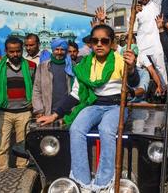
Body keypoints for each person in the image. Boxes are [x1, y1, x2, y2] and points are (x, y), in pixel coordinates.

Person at [37, 24, 139, 192]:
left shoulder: (121, 60)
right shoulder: (84, 64)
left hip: (116, 106)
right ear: (90, 43)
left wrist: (132, 67)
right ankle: (82, 183)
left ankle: (103, 184)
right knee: (76, 128)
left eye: (104, 41)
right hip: (93, 105)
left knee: (106, 129)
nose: (99, 44)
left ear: (112, 43)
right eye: (95, 40)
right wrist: (54, 115)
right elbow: (75, 94)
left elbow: (133, 83)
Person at [0, 36, 36, 172]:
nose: (15, 54)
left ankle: (22, 171)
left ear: (22, 50)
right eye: (11, 52)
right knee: (1, 144)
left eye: (18, 51)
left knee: (23, 145)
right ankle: (2, 172)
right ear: (6, 51)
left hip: (24, 112)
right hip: (3, 112)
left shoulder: (32, 66)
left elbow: (36, 88)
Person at [131, 0, 168, 89]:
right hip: (141, 45)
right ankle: (139, 92)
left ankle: (165, 91)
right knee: (138, 68)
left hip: (155, 43)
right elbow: (132, 23)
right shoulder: (137, 8)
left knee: (160, 68)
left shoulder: (155, 4)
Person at [32, 39, 74, 117]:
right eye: (57, 49)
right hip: (47, 112)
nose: (59, 52)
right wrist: (39, 110)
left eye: (62, 50)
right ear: (53, 50)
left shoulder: (72, 66)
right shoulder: (43, 66)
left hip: (67, 112)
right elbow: (36, 90)